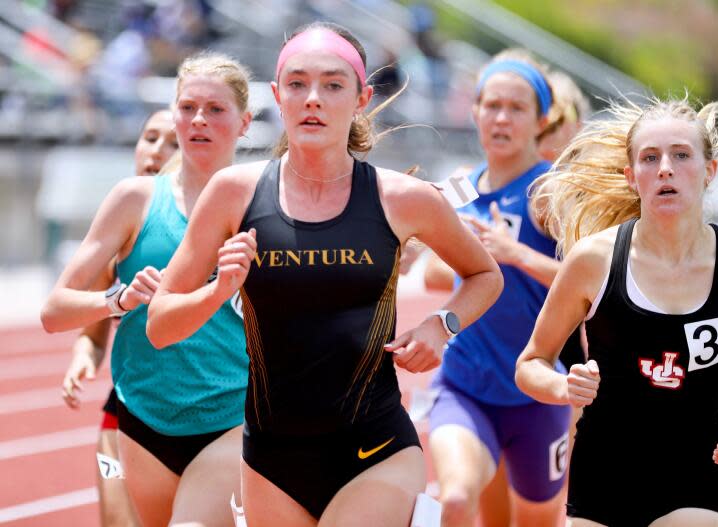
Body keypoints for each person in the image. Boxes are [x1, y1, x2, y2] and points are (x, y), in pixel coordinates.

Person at [146, 22, 503, 527]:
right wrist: (219, 291)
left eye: (333, 85)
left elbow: (485, 274)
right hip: (271, 457)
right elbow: (160, 326)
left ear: (361, 97)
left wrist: (441, 326)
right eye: (297, 84)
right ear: (277, 95)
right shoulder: (233, 194)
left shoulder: (402, 198)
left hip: (375, 448)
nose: (312, 98)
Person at [516, 97, 718, 526]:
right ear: (632, 177)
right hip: (603, 476)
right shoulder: (594, 260)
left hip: (697, 478)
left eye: (681, 155)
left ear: (710, 172)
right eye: (650, 157)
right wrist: (562, 386)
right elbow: (530, 364)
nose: (665, 168)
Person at [42, 52, 252, 527]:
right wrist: (117, 300)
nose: (198, 120)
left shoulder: (266, 202)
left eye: (216, 109)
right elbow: (53, 311)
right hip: (141, 419)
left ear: (245, 122)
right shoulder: (134, 200)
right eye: (188, 107)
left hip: (231, 419)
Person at [421, 49, 571, 527]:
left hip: (537, 391)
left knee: (533, 522)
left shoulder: (551, 191)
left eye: (517, 108)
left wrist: (515, 255)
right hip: (467, 383)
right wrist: (468, 263)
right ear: (475, 111)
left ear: (541, 120)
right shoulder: (461, 189)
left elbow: (596, 283)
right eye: (492, 105)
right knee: (457, 500)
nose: (501, 118)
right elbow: (429, 274)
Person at [60, 108, 176, 527]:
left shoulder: (223, 222)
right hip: (126, 416)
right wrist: (83, 358)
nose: (157, 152)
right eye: (149, 138)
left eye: (174, 144)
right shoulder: (117, 233)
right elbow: (91, 334)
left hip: (214, 420)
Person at [536, 70, 588, 164]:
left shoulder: (587, 173)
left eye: (562, 115)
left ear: (578, 126)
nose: (549, 122)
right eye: (543, 109)